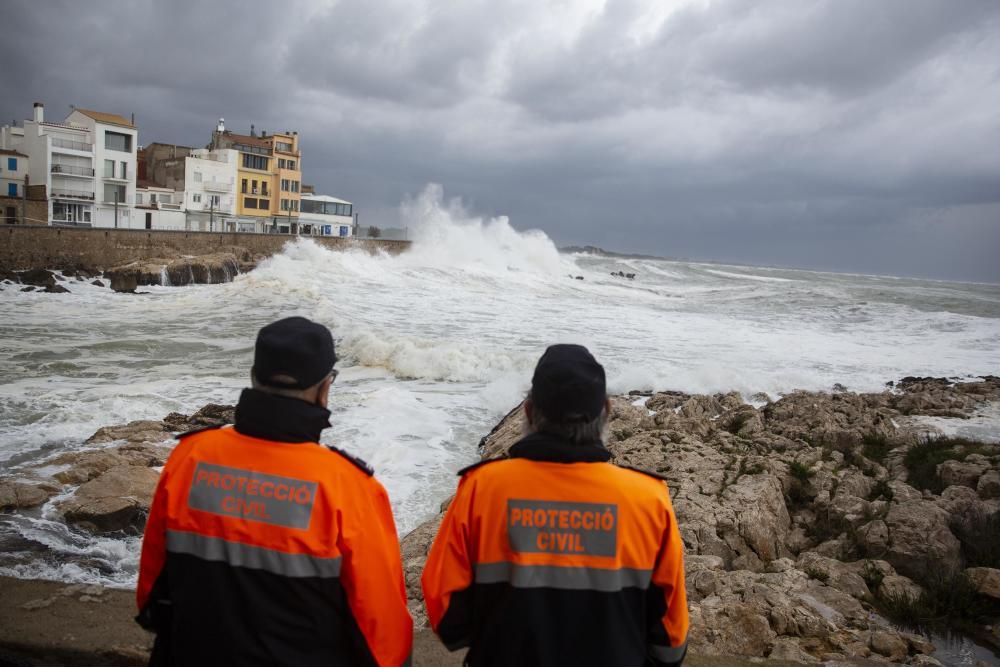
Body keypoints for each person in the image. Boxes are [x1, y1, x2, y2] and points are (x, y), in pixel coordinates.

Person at [136, 316, 412, 666]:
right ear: (325, 388)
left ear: (254, 377)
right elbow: (382, 631)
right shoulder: (349, 486)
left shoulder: (190, 456)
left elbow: (152, 589)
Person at [422, 344, 689, 666]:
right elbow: (671, 634)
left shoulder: (483, 488)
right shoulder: (648, 497)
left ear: (529, 411)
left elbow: (445, 607)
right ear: (606, 410)